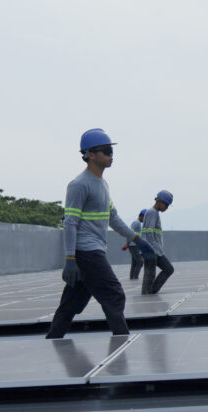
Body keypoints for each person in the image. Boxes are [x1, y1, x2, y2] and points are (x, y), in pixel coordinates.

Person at [46, 128, 153, 338]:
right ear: (90, 154)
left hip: (92, 251)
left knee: (71, 304)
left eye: (111, 151)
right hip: (87, 252)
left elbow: (113, 218)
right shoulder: (79, 185)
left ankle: (53, 339)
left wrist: (137, 239)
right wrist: (70, 258)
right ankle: (122, 341)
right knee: (114, 295)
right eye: (105, 151)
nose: (111, 155)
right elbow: (70, 223)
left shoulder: (103, 184)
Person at [141, 190, 174, 295]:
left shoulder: (153, 213)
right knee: (166, 269)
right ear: (159, 201)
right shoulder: (152, 213)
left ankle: (150, 292)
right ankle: (149, 293)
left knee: (150, 274)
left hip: (151, 250)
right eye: (166, 204)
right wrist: (155, 250)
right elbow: (149, 233)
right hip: (152, 250)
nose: (166, 208)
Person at [121, 209, 146, 280]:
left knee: (135, 262)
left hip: (135, 245)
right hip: (133, 245)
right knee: (140, 261)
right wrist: (127, 244)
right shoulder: (136, 223)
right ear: (141, 216)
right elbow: (130, 233)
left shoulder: (137, 223)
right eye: (145, 217)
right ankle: (135, 277)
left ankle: (132, 277)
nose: (145, 220)